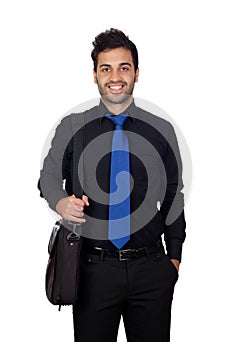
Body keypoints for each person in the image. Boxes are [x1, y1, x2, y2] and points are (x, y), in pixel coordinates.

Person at [39, 28, 186, 342]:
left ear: (136, 73)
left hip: (151, 268)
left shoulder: (160, 129)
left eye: (124, 67)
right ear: (94, 75)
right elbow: (48, 177)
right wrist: (60, 201)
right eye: (106, 68)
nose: (115, 76)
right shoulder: (73, 127)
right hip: (93, 269)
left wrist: (173, 259)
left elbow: (174, 195)